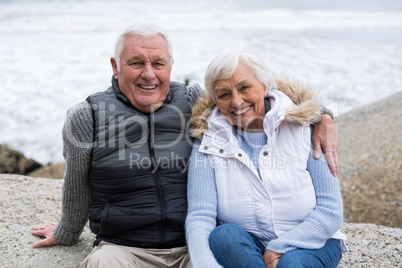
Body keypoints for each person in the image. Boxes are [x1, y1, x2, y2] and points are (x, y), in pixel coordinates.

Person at [31, 22, 339, 268]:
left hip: (192, 247)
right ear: (116, 66)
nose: (148, 73)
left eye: (158, 63)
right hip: (122, 249)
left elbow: (255, 92)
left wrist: (321, 116)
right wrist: (66, 233)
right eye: (136, 63)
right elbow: (76, 185)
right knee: (102, 264)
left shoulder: (193, 102)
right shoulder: (88, 117)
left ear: (171, 65)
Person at [186, 50, 348, 268]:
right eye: (224, 94)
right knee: (224, 236)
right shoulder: (208, 142)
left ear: (265, 85)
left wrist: (278, 247)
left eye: (244, 87)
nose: (236, 101)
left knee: (291, 262)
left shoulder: (305, 128)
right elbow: (200, 215)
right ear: (215, 102)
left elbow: (330, 211)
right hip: (247, 249)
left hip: (312, 243)